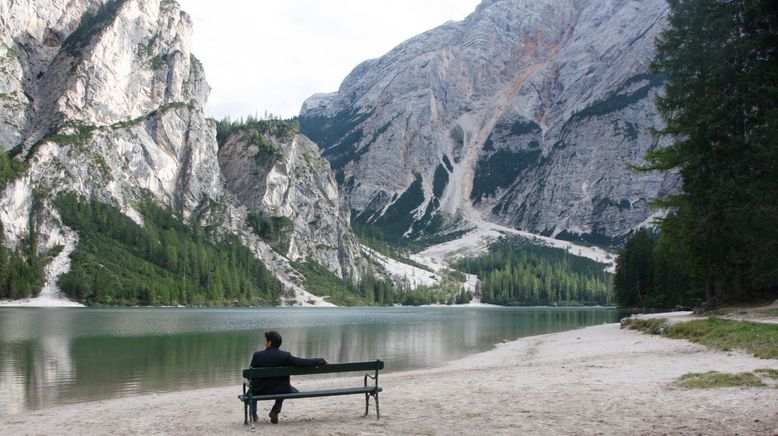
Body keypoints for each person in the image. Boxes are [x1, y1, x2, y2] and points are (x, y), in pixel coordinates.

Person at [248, 330, 327, 424]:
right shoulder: (285, 356)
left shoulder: (257, 356)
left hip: (260, 390)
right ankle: (275, 410)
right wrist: (321, 360)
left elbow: (250, 375)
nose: (264, 342)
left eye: (265, 340)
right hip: (280, 389)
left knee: (252, 390)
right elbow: (302, 362)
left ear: (269, 342)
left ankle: (253, 413)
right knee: (285, 387)